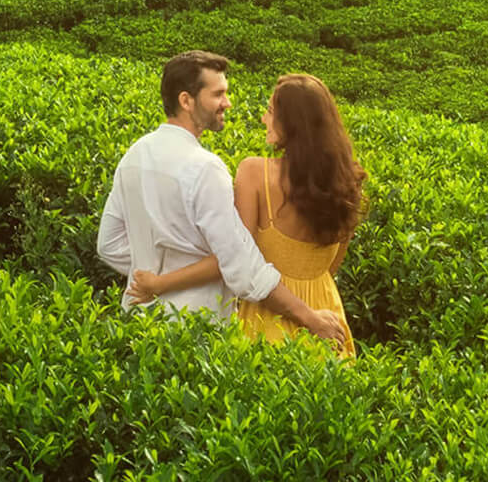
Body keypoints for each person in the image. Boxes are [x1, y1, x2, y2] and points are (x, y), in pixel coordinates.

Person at [97, 52, 347, 349]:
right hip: (196, 327)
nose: (227, 103)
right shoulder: (206, 167)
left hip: (139, 321)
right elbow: (239, 264)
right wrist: (308, 316)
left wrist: (155, 274)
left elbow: (108, 244)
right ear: (186, 101)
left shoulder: (134, 155)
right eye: (218, 94)